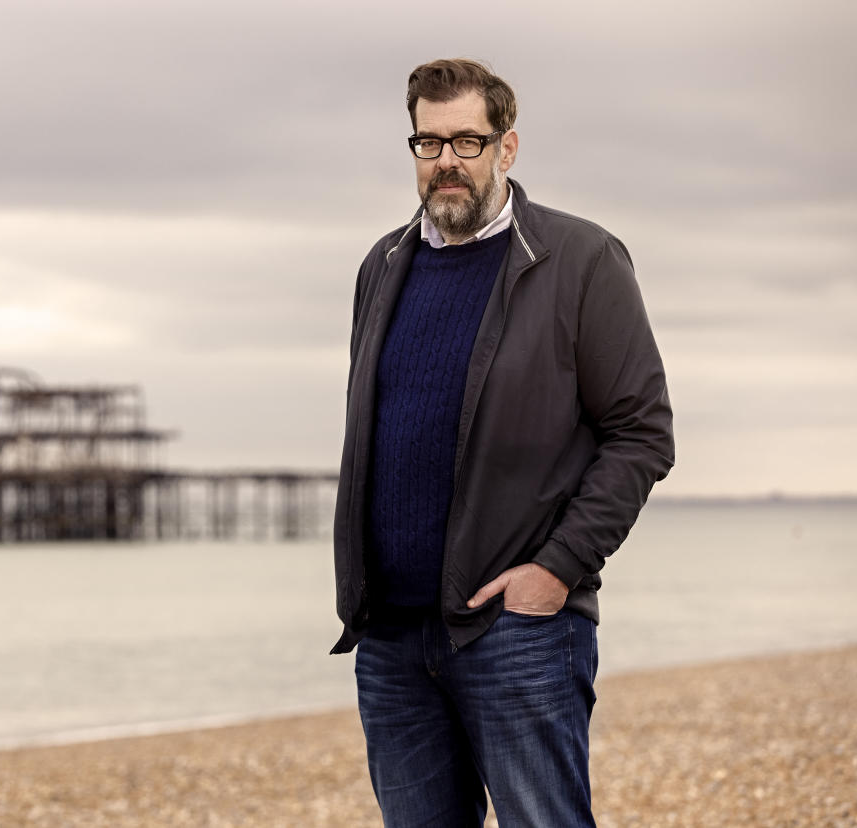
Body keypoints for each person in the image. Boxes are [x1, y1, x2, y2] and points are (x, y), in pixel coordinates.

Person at [331, 58, 675, 826]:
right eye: (428, 142)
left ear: (506, 148)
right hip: (390, 638)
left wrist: (555, 571)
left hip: (514, 633)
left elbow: (641, 433)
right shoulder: (382, 264)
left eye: (466, 141)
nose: (446, 161)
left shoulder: (580, 259)